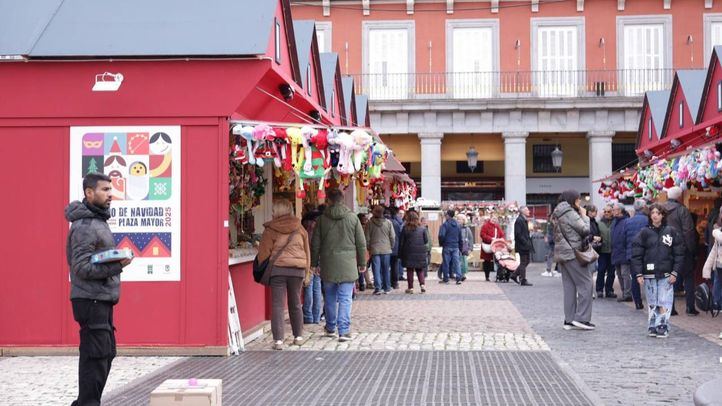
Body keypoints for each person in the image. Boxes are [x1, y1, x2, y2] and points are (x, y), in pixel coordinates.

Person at [66, 173, 133, 406]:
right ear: (89, 193)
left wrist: (114, 262)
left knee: (105, 354)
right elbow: (81, 267)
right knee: (95, 358)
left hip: (99, 299)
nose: (110, 194)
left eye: (110, 189)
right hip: (90, 299)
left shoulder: (97, 222)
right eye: (104, 190)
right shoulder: (85, 226)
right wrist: (117, 266)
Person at [311, 188, 367, 342]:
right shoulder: (353, 218)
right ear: (342, 200)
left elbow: (315, 244)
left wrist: (314, 263)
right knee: (345, 298)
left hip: (328, 263)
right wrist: (362, 262)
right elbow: (361, 244)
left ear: (328, 200)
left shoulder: (322, 220)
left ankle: (330, 327)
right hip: (348, 263)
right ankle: (343, 330)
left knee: (329, 297)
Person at [257, 199, 310, 350]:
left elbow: (263, 254)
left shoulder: (270, 229)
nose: (272, 213)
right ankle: (298, 336)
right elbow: (307, 250)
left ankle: (278, 341)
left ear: (278, 211)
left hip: (278, 270)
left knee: (278, 305)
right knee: (295, 303)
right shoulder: (300, 228)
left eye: (274, 210)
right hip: (297, 269)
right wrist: (306, 270)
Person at [631, 204, 684, 338]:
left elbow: (679, 254)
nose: (655, 215)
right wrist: (638, 273)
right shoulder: (644, 233)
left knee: (664, 300)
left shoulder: (671, 231)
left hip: (666, 273)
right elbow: (637, 254)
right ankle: (653, 324)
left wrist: (675, 272)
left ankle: (663, 325)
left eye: (658, 213)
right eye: (652, 213)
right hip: (649, 273)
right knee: (653, 301)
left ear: (663, 215)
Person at [553, 190, 595, 330]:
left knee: (569, 287)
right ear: (573, 200)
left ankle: (569, 319)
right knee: (586, 283)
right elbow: (585, 230)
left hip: (562, 254)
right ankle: (582, 318)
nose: (580, 203)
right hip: (573, 253)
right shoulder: (570, 213)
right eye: (578, 200)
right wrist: (585, 216)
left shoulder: (557, 212)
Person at [664, 186, 699, 316]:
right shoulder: (682, 211)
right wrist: (692, 249)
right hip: (682, 249)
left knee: (669, 278)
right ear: (679, 196)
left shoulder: (660, 210)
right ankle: (690, 307)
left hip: (666, 248)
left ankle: (670, 307)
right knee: (688, 277)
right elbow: (688, 232)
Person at [623, 200, 649, 309]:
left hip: (632, 254)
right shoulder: (648, 220)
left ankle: (638, 302)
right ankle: (651, 301)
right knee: (649, 277)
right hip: (647, 253)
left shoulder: (628, 221)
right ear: (643, 207)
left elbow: (624, 238)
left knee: (635, 278)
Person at [366, 205, 395, 295]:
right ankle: (387, 287)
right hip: (386, 249)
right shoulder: (388, 223)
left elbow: (366, 238)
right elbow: (392, 236)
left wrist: (368, 247)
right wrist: (391, 246)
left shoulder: (369, 223)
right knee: (386, 269)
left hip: (374, 249)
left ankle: (378, 288)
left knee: (376, 270)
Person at [301, 208, 323, 324]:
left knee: (308, 287)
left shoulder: (304, 230)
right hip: (318, 260)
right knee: (317, 288)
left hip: (307, 260)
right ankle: (316, 316)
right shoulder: (319, 229)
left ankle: (308, 315)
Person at [703, 212, 722, 339]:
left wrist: (716, 232)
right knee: (719, 299)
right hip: (720, 268)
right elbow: (714, 251)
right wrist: (706, 269)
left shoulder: (718, 232)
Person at [399, 211, 429, 294]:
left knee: (410, 270)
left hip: (408, 252)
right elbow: (426, 241)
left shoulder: (405, 228)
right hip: (420, 252)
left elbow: (401, 242)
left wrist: (400, 253)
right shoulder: (422, 228)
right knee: (420, 269)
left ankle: (410, 288)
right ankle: (422, 285)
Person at [611, 203, 632, 302]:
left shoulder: (626, 222)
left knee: (625, 274)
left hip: (623, 252)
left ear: (619, 211)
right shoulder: (615, 222)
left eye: (614, 209)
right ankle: (624, 293)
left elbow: (628, 238)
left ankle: (627, 294)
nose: (612, 211)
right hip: (616, 252)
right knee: (619, 274)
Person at [595, 204, 616, 298]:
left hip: (613, 251)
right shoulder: (599, 223)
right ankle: (599, 290)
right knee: (601, 270)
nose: (607, 213)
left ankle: (609, 290)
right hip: (602, 251)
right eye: (605, 211)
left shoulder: (615, 222)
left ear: (612, 212)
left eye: (609, 211)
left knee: (611, 272)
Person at [438, 209, 464, 284]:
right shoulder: (458, 225)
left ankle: (446, 279)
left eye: (446, 215)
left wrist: (442, 243)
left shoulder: (445, 225)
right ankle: (458, 278)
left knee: (446, 262)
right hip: (456, 246)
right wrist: (460, 247)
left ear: (448, 215)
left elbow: (441, 235)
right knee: (457, 263)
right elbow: (460, 238)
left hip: (447, 246)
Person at [512, 206, 534, 286]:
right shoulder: (519, 220)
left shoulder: (523, 220)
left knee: (526, 261)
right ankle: (523, 279)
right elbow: (518, 234)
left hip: (525, 244)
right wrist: (525, 242)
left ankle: (514, 275)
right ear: (522, 211)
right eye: (527, 210)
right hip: (522, 245)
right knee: (523, 262)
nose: (529, 211)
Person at [480, 216, 505, 282]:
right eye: (493, 218)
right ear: (490, 219)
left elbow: (502, 234)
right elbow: (482, 235)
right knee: (487, 261)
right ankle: (487, 276)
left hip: (496, 246)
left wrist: (501, 239)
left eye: (495, 219)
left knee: (498, 260)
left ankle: (499, 275)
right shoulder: (485, 226)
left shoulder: (497, 226)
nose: (494, 220)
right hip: (487, 245)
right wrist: (491, 239)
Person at [357, 213, 373, 291]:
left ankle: (362, 283)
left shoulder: (358, 227)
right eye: (364, 218)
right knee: (363, 266)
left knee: (362, 266)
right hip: (364, 249)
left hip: (362, 249)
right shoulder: (365, 227)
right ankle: (364, 283)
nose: (366, 220)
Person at [390, 208, 405, 286]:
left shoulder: (389, 222)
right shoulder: (398, 223)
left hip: (388, 247)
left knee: (385, 266)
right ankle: (395, 282)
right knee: (395, 264)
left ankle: (385, 283)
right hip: (396, 247)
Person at [457, 213, 474, 282]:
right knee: (457, 261)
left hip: (464, 247)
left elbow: (470, 239)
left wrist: (470, 248)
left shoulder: (467, 229)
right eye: (457, 219)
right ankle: (458, 274)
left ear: (463, 220)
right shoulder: (455, 228)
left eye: (459, 219)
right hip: (456, 247)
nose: (458, 220)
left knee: (463, 261)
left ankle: (463, 274)